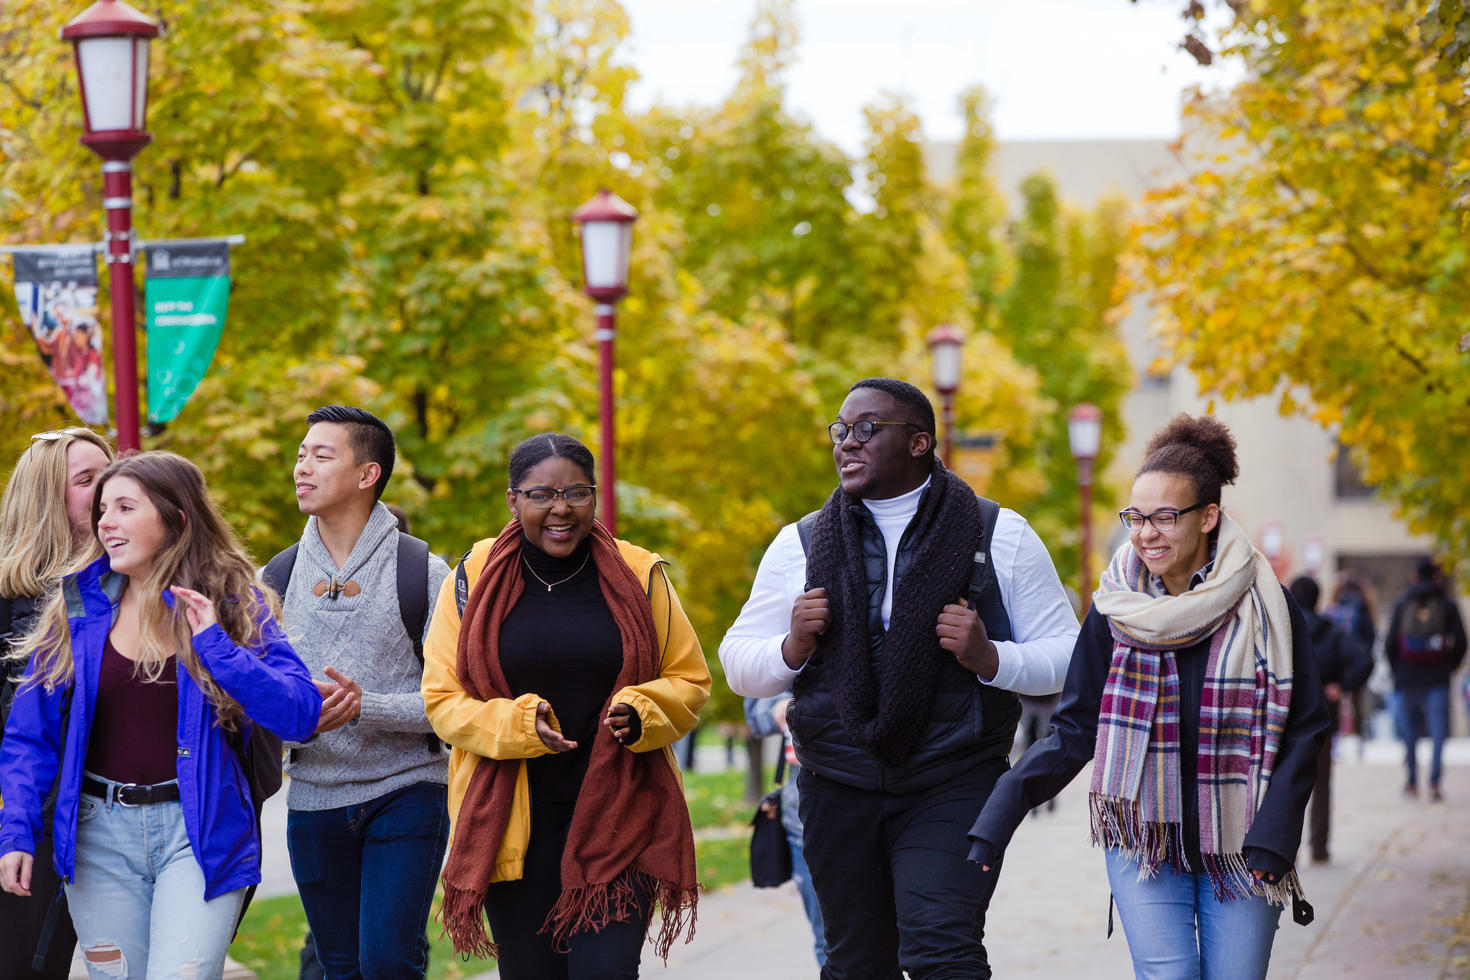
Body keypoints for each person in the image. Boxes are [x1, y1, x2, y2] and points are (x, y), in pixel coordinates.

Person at [720, 377, 1078, 979]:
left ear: (919, 443)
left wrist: (992, 659)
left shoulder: (998, 534)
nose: (846, 444)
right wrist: (793, 646)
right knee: (856, 962)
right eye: (840, 431)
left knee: (942, 950)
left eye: (865, 430)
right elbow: (738, 663)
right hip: (836, 779)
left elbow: (1069, 654)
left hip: (955, 777)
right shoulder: (801, 542)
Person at [968, 414, 1331, 980]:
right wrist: (1001, 812)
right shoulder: (1115, 609)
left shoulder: (1269, 606)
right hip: (1145, 839)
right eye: (1136, 516)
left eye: (1166, 516)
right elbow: (1075, 728)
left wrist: (1278, 833)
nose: (1146, 533)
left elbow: (1306, 727)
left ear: (1209, 516)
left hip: (1245, 840)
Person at [0, 451, 321, 978]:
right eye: (103, 508)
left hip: (199, 835)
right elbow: (29, 734)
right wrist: (17, 831)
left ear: (176, 519)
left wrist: (216, 645)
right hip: (96, 838)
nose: (106, 522)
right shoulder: (76, 607)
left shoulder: (234, 602)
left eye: (126, 507)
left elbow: (300, 713)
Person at [422, 433, 708, 978]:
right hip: (513, 825)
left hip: (620, 813)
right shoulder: (472, 577)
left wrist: (643, 709)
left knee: (608, 970)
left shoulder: (638, 573)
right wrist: (521, 723)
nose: (560, 509)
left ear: (595, 496)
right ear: (513, 500)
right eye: (541, 495)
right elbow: (442, 701)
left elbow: (689, 679)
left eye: (577, 493)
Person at [279, 406, 451, 980]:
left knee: (388, 963)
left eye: (321, 455)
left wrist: (365, 707)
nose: (302, 466)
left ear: (367, 474)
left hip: (406, 791)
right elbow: (253, 703)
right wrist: (299, 716)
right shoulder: (273, 581)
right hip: (311, 800)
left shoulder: (424, 572)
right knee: (339, 968)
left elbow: (457, 701)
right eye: (301, 454)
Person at [0, 427, 113, 980]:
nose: (103, 488)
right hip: (24, 816)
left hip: (114, 813)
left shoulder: (131, 582)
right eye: (85, 480)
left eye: (107, 473)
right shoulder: (10, 593)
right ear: (48, 498)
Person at [1288, 575, 1372, 864]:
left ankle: (1287, 849)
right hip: (1322, 717)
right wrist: (1342, 686)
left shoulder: (1281, 630)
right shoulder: (1331, 632)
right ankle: (1319, 848)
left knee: (1286, 783)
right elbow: (1364, 659)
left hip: (1285, 719)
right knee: (1321, 783)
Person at [744, 692, 826, 967]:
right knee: (830, 941)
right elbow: (755, 709)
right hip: (807, 818)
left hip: (900, 806)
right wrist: (778, 707)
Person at [1385, 559, 1467, 801]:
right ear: (1437, 576)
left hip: (1407, 677)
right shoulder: (1447, 603)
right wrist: (1448, 667)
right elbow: (1461, 641)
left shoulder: (1402, 601)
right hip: (1438, 677)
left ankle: (1411, 781)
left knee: (1410, 731)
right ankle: (1434, 783)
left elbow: (1390, 643)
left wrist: (1397, 671)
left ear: (1414, 576)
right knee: (1438, 731)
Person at [1323, 575, 1378, 749]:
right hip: (1357, 664)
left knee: (1334, 701)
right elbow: (1370, 638)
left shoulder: (1332, 609)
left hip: (1335, 663)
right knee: (1358, 701)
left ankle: (1335, 740)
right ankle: (1360, 739)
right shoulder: (1362, 609)